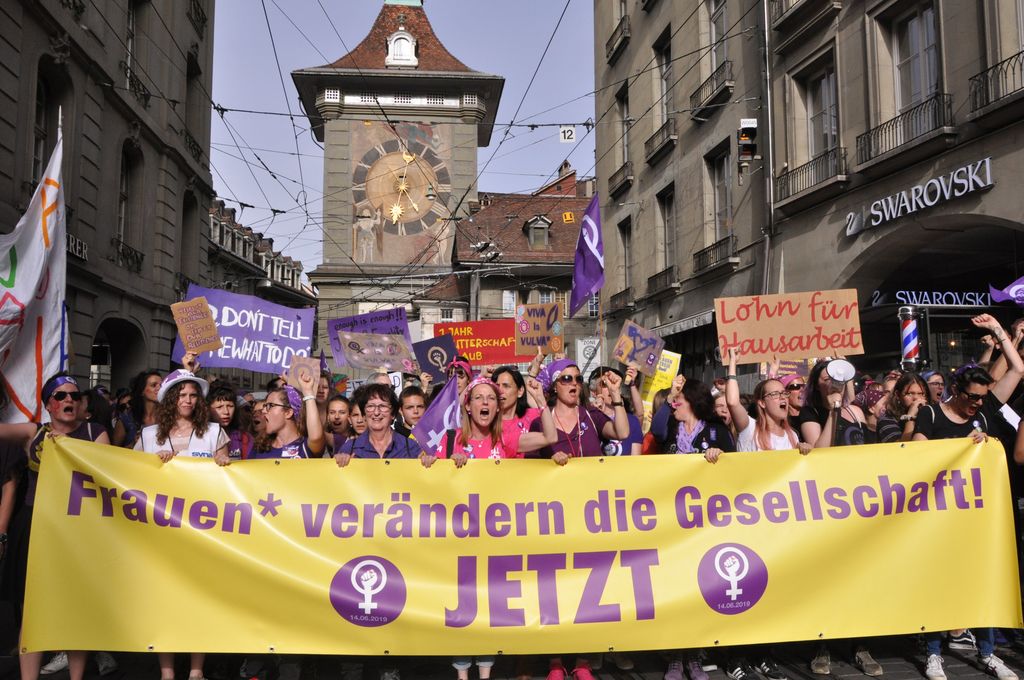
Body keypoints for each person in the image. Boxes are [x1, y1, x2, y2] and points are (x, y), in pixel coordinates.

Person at [914, 315, 1023, 680]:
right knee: (936, 581)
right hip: (939, 516)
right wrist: (960, 447)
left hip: (979, 516)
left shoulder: (987, 409)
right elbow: (917, 456)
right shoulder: (930, 414)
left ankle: (989, 652)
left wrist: (999, 333)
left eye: (983, 397)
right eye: (973, 397)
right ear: (956, 393)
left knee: (983, 580)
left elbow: (1018, 369)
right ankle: (933, 653)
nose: (979, 403)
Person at [0, 374, 109, 680]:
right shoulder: (33, 433)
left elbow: (106, 474)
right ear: (48, 404)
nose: (68, 401)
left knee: (76, 607)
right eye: (60, 396)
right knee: (32, 610)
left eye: (74, 395)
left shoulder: (94, 432)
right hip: (36, 524)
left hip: (79, 528)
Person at [526, 359, 630, 464]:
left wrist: (615, 393)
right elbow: (530, 466)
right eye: (567, 379)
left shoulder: (591, 415)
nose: (574, 383)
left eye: (578, 379)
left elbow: (622, 433)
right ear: (555, 386)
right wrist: (550, 461)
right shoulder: (539, 424)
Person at [135, 370, 229, 464]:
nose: (188, 400)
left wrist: (221, 462)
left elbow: (224, 473)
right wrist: (153, 460)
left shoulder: (215, 432)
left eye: (193, 395)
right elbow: (134, 469)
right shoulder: (148, 435)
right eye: (182, 395)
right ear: (170, 399)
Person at [725, 350, 809, 454]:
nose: (782, 397)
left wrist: (804, 449)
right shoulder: (750, 429)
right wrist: (733, 361)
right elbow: (733, 402)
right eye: (776, 394)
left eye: (784, 393)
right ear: (762, 403)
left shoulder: (792, 435)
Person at [333, 383, 428, 464]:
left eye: (382, 406)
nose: (376, 412)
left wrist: (428, 463)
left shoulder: (410, 447)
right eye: (370, 406)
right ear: (364, 414)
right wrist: (338, 463)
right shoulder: (349, 448)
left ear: (393, 414)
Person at [651, 375, 735, 460]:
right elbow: (656, 431)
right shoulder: (670, 426)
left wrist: (720, 454)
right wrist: (670, 396)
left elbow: (733, 462)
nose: (673, 401)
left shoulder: (717, 430)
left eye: (677, 396)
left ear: (691, 399)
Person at [248, 369, 325, 460]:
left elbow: (316, 437)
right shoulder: (260, 447)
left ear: (288, 412)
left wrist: (307, 391)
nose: (264, 411)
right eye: (264, 406)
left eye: (269, 406)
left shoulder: (305, 447)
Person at [799, 360, 867, 448]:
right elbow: (820, 451)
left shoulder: (856, 412)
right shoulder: (810, 412)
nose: (834, 383)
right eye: (827, 379)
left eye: (839, 378)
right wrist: (833, 411)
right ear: (817, 385)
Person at [492, 366, 557, 457]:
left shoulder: (535, 416)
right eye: (496, 386)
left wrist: (540, 399)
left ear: (520, 391)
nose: (500, 390)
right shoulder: (486, 423)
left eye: (506, 386)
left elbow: (552, 438)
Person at [590, 366, 642, 456]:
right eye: (605, 384)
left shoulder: (632, 421)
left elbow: (635, 460)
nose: (611, 387)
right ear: (594, 393)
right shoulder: (588, 418)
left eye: (614, 382)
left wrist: (632, 383)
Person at [112, 370, 161, 447]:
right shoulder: (127, 418)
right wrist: (134, 444)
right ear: (142, 391)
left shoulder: (168, 417)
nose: (159, 388)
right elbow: (113, 452)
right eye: (154, 385)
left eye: (161, 385)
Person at [876, 373, 928, 443]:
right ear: (898, 395)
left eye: (921, 393)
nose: (916, 398)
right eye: (909, 393)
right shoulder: (887, 419)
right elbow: (900, 449)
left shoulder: (931, 414)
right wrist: (910, 417)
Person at [208, 385, 253, 461]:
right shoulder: (200, 436)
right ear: (208, 409)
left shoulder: (245, 438)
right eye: (219, 407)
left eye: (230, 406)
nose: (226, 412)